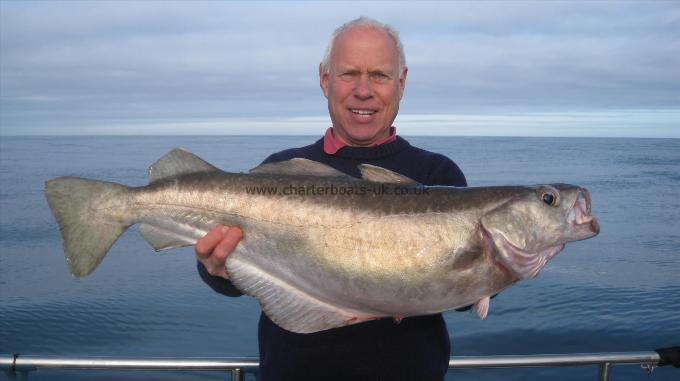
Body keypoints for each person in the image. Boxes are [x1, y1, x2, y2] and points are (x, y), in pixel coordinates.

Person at [195, 17, 467, 381]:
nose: (363, 90)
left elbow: (467, 297)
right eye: (349, 73)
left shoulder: (439, 177)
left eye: (380, 75)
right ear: (325, 79)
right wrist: (216, 269)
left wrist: (513, 255)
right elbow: (232, 278)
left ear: (401, 83)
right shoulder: (279, 171)